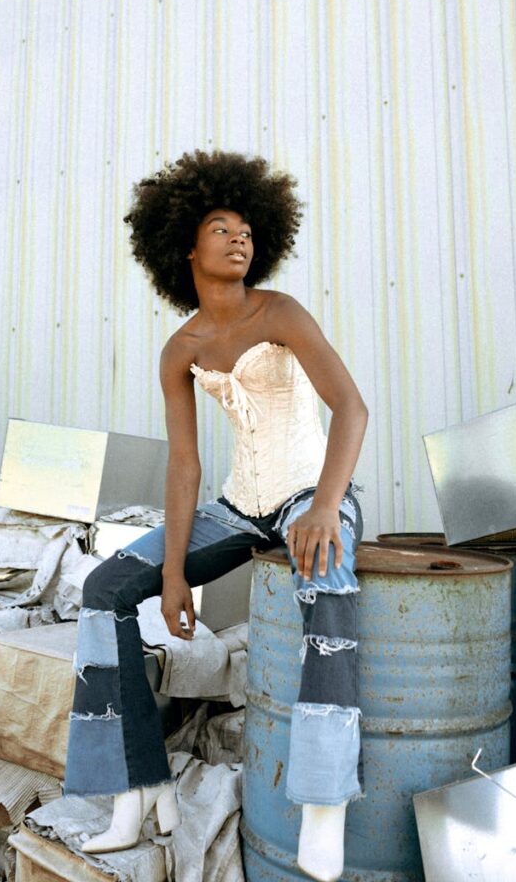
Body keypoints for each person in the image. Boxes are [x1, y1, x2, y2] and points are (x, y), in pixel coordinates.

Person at [64, 150, 368, 882]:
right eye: (219, 227)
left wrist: (325, 505)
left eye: (245, 229)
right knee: (103, 590)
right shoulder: (181, 349)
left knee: (324, 577)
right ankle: (138, 792)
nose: (239, 239)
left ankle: (324, 805)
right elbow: (184, 464)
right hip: (237, 508)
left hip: (307, 493)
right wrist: (172, 573)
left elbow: (350, 408)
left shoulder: (281, 312)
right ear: (186, 248)